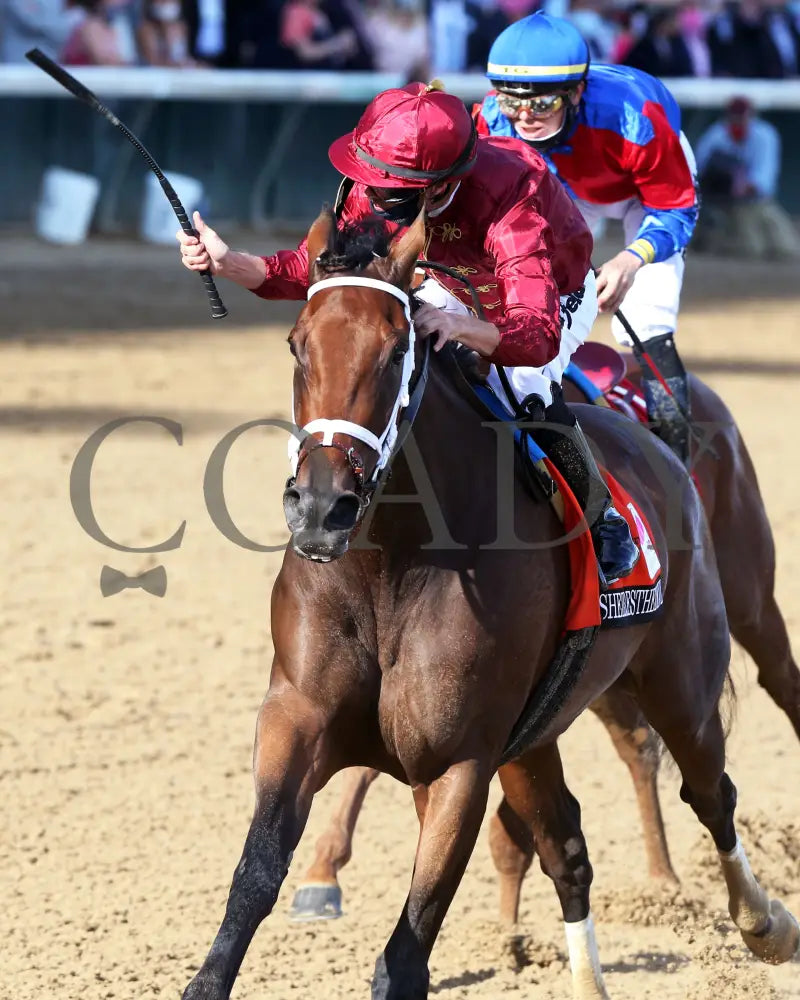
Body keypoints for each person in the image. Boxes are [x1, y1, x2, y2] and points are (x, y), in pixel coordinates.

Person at [176, 81, 639, 584]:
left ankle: (603, 519)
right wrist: (231, 263)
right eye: (367, 179)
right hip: (445, 280)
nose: (368, 195)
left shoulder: (511, 194)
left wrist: (462, 325)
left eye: (384, 188)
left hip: (549, 298)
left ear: (439, 186)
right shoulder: (379, 184)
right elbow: (326, 272)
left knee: (524, 389)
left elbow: (536, 337)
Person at [474, 11, 699, 468]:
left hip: (645, 193)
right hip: (566, 189)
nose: (523, 117)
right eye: (512, 101)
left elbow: (675, 208)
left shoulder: (636, 118)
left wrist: (632, 259)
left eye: (542, 105)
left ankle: (678, 474)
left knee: (647, 324)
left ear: (576, 92)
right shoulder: (493, 119)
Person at [694, 96, 800, 260]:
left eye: (741, 116)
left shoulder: (764, 135)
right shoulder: (716, 135)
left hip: (756, 201)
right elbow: (699, 168)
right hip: (718, 201)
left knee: (785, 249)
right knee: (750, 249)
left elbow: (765, 176)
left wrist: (745, 185)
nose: (737, 120)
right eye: (734, 116)